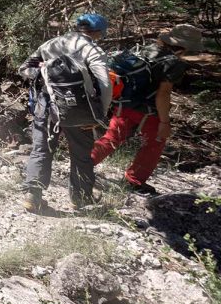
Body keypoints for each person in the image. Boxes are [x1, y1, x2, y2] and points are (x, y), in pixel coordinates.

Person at [90, 24, 203, 194]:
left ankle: (83, 164)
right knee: (155, 142)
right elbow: (163, 94)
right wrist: (165, 122)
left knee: (112, 138)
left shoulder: (145, 49)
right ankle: (134, 180)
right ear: (185, 46)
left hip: (124, 103)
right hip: (148, 111)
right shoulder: (174, 63)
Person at [19, 13, 113, 213]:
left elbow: (24, 69)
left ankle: (32, 195)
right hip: (79, 109)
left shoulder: (51, 44)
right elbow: (105, 83)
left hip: (47, 104)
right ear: (98, 33)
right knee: (81, 153)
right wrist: (100, 116)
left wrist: (42, 73)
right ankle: (81, 198)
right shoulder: (92, 49)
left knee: (41, 147)